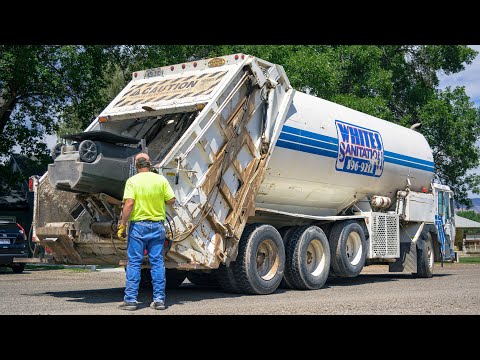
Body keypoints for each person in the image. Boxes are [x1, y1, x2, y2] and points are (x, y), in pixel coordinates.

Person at [117, 152, 176, 311]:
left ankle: (130, 301)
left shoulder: (132, 181)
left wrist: (122, 224)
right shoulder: (161, 180)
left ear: (136, 166)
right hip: (157, 226)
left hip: (138, 227)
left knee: (134, 263)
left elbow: (129, 203)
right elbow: (171, 200)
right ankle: (159, 300)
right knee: (157, 263)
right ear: (150, 164)